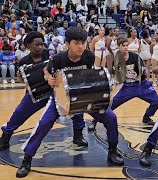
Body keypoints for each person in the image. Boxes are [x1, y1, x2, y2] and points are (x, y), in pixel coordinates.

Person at [15, 27, 124, 178]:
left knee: (111, 118)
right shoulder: (58, 59)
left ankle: (112, 150)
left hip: (84, 95)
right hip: (60, 98)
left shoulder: (89, 56)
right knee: (43, 124)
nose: (80, 46)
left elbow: (91, 75)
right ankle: (27, 159)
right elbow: (47, 72)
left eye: (83, 42)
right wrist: (49, 78)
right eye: (76, 43)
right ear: (67, 44)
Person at [0, 31, 88, 152]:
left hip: (55, 92)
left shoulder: (50, 55)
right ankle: (6, 136)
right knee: (19, 113)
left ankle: (78, 135)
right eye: (37, 45)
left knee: (76, 108)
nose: (40, 47)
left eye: (42, 44)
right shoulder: (23, 61)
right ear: (28, 45)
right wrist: (20, 78)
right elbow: (23, 79)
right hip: (35, 94)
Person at [87, 37, 158, 131]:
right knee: (110, 105)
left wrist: (144, 71)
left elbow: (142, 69)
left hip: (142, 84)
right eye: (123, 46)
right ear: (118, 46)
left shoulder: (135, 56)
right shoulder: (117, 60)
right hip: (128, 87)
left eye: (126, 45)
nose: (125, 47)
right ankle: (95, 120)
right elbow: (117, 75)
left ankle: (147, 117)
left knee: (156, 101)